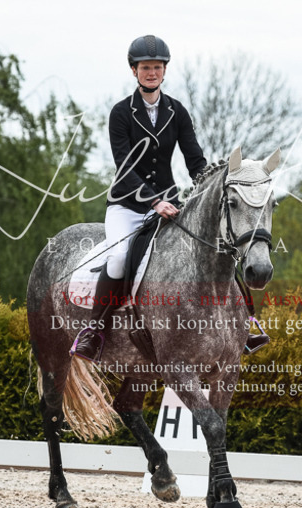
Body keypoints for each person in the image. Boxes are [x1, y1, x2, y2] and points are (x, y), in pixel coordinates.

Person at [71, 34, 207, 362]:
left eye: (157, 67)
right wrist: (152, 201)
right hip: (128, 205)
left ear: (164, 70)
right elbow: (125, 164)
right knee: (118, 259)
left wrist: (207, 186)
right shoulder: (120, 113)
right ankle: (94, 331)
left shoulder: (177, 111)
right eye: (145, 67)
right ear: (134, 71)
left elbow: (194, 158)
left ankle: (237, 324)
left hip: (169, 205)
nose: (151, 72)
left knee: (204, 251)